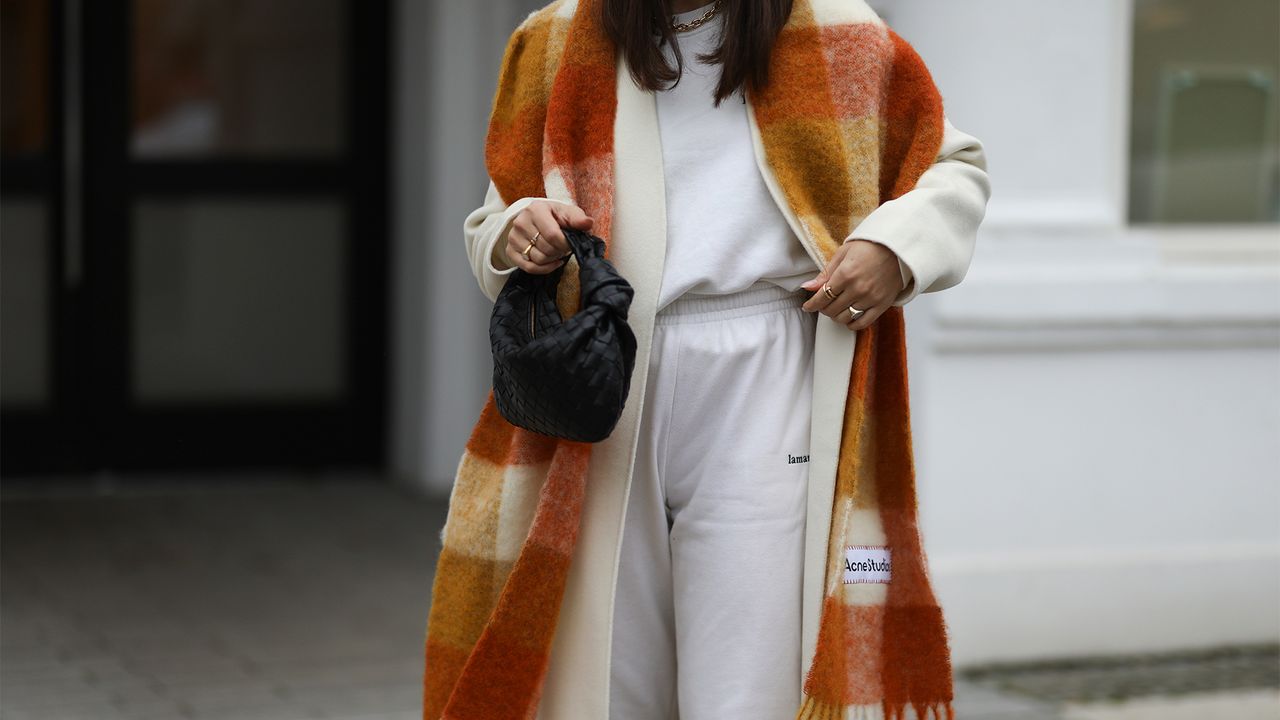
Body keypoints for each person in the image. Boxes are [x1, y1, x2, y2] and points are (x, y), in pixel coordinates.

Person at [457, 0, 991, 717]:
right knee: (606, 674)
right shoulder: (554, 37)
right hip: (608, 370)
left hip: (769, 365)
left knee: (748, 678)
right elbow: (497, 214)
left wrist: (895, 249)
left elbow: (950, 169)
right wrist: (516, 233)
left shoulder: (835, 29)